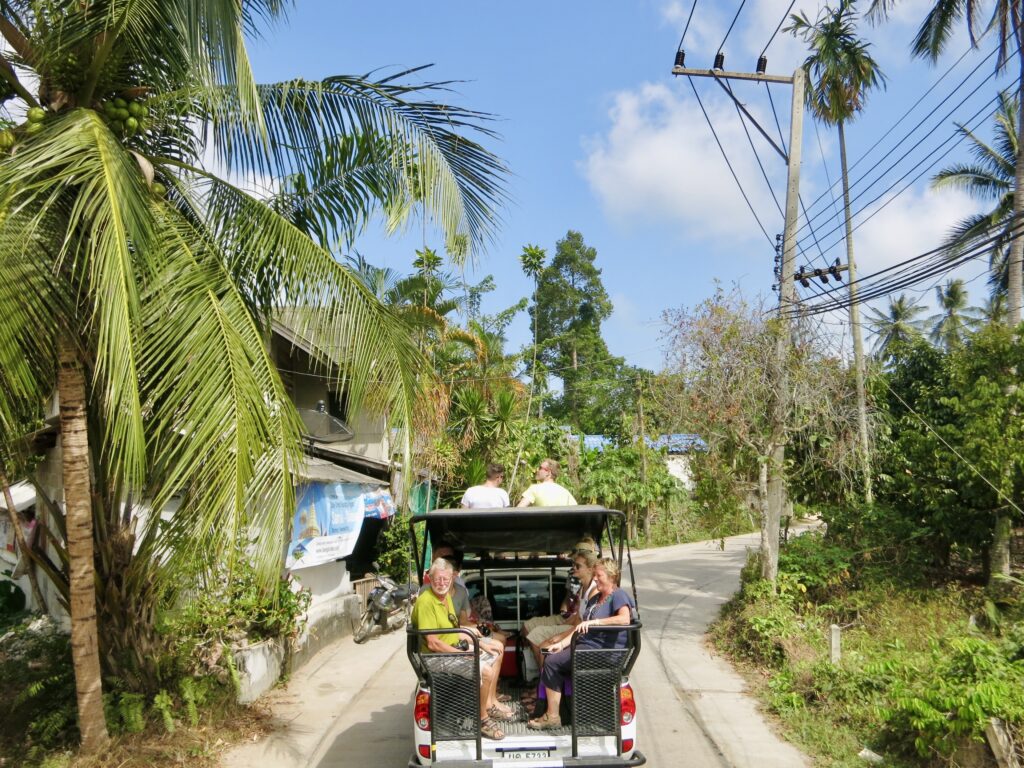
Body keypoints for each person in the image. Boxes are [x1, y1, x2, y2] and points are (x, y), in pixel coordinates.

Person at [528, 557, 635, 731]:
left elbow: (624, 618)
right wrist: (561, 644)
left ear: (611, 576)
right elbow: (579, 626)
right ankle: (558, 710)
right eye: (594, 575)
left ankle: (553, 716)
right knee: (550, 654)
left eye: (598, 575)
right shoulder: (596, 599)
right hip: (586, 647)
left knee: (552, 663)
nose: (595, 579)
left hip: (602, 652)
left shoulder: (618, 595)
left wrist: (595, 623)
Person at [412, 558, 513, 740]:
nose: (442, 583)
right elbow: (434, 643)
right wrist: (463, 653)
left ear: (452, 578)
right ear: (430, 578)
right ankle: (482, 720)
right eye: (437, 579)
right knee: (486, 671)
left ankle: (488, 704)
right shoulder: (426, 601)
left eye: (446, 579)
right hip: (436, 657)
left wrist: (479, 643)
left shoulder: (446, 598)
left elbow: (455, 631)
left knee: (495, 651)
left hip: (451, 650)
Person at [522, 540, 599, 674]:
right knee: (531, 629)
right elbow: (576, 617)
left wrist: (561, 635)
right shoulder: (583, 586)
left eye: (577, 565)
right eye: (574, 563)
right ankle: (541, 680)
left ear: (590, 569)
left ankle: (542, 683)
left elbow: (582, 624)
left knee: (542, 645)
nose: (574, 567)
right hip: (572, 622)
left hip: (580, 632)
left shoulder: (594, 590)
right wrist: (563, 625)